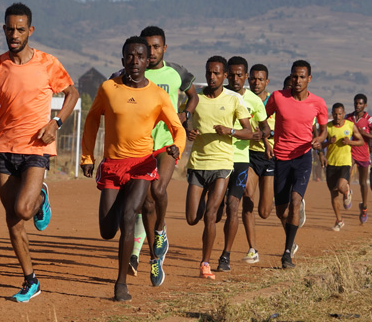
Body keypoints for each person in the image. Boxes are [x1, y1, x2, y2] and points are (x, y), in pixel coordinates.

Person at [0, 3, 79, 302]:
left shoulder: (47, 63)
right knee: (13, 220)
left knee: (23, 209)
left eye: (20, 29)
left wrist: (55, 123)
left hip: (36, 147)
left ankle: (40, 196)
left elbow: (72, 94)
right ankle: (31, 280)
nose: (14, 34)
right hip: (4, 148)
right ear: (3, 29)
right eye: (9, 29)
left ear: (30, 30)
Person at [80, 36, 186, 301]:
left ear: (147, 60)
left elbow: (177, 128)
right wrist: (87, 157)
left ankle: (121, 284)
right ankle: (125, 201)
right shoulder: (108, 88)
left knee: (129, 217)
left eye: (140, 56)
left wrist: (177, 148)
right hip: (112, 165)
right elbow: (92, 120)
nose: (135, 61)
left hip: (142, 164)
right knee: (106, 230)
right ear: (122, 60)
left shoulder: (157, 95)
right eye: (130, 56)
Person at [125, 26, 199, 281]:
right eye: (148, 47)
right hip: (141, 145)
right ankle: (154, 258)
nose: (152, 52)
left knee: (158, 190)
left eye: (157, 47)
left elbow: (193, 95)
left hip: (169, 142)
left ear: (164, 48)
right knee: (145, 203)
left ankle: (160, 230)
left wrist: (186, 114)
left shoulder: (176, 72)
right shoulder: (133, 73)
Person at [185, 55, 252, 280]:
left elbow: (249, 132)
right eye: (208, 73)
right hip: (197, 163)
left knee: (211, 214)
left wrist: (230, 131)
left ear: (224, 75)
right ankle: (207, 211)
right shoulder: (196, 98)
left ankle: (205, 263)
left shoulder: (234, 99)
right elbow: (184, 119)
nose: (212, 77)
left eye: (216, 74)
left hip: (222, 164)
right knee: (192, 217)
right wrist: (188, 131)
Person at [265, 60, 328, 268]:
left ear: (309, 79)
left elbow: (324, 130)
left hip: (302, 157)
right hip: (281, 158)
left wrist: (319, 140)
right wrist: (266, 140)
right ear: (290, 77)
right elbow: (262, 118)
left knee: (293, 201)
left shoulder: (318, 103)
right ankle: (291, 239)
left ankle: (286, 254)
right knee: (281, 211)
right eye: (294, 76)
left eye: (302, 77)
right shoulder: (277, 97)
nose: (298, 80)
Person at [217, 57, 270, 272]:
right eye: (232, 74)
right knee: (211, 212)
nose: (236, 79)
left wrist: (260, 135)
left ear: (245, 76)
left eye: (240, 75)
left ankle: (225, 255)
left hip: (241, 158)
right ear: (227, 74)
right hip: (216, 158)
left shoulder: (254, 101)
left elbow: (265, 128)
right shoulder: (219, 95)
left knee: (235, 206)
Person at [241, 64, 276, 264]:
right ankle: (252, 249)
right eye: (253, 79)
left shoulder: (274, 102)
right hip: (249, 155)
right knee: (247, 194)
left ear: (266, 82)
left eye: (260, 79)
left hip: (270, 156)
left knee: (264, 212)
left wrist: (268, 135)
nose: (256, 82)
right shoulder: (242, 99)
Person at [322, 103, 363, 231]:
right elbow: (319, 144)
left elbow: (361, 141)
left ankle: (346, 191)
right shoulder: (328, 127)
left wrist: (349, 142)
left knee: (340, 186)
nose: (337, 116)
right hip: (331, 164)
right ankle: (339, 220)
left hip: (345, 163)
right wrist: (329, 142)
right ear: (332, 114)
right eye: (335, 114)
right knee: (333, 194)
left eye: (340, 114)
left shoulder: (350, 126)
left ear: (344, 113)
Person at [345, 94, 372, 224]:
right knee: (346, 171)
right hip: (350, 151)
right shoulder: (348, 118)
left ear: (365, 105)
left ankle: (364, 207)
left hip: (364, 153)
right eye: (356, 103)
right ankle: (347, 193)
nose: (358, 106)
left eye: (360, 103)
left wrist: (366, 134)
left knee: (362, 183)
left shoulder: (370, 120)